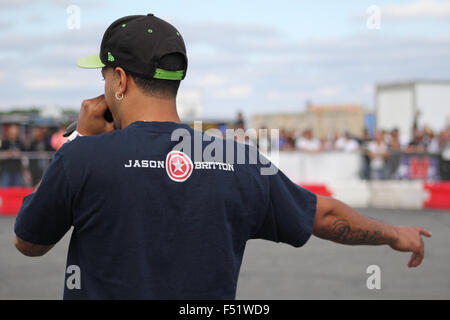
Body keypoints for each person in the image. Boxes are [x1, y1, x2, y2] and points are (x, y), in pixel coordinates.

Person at [14, 14, 431, 300]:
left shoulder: (83, 157)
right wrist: (393, 234)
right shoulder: (239, 160)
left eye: (103, 75)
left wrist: (77, 140)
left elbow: (28, 242)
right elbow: (323, 216)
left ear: (119, 79)